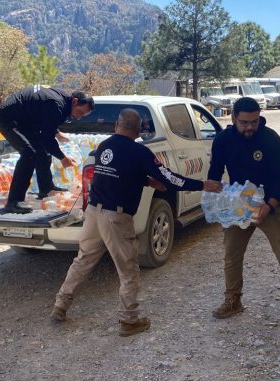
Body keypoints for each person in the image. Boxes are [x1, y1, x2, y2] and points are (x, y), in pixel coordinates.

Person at [50, 109, 222, 337]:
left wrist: (147, 181)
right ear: (139, 130)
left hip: (93, 213)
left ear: (116, 126)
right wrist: (202, 185)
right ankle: (130, 320)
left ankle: (60, 305)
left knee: (83, 260)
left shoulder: (104, 146)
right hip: (116, 218)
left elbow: (119, 173)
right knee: (128, 269)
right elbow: (170, 178)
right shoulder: (140, 152)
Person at [207, 97, 280, 328]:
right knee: (232, 256)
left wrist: (270, 205)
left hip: (270, 203)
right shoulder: (222, 140)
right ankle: (233, 300)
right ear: (233, 118)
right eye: (245, 122)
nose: (250, 127)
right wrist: (213, 194)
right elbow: (215, 170)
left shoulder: (271, 140)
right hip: (239, 203)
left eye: (255, 121)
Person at [0, 85, 95, 214]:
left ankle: (46, 188)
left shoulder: (63, 99)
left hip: (25, 120)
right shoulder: (56, 103)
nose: (79, 117)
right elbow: (47, 139)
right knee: (29, 154)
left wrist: (56, 132)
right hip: (7, 119)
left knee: (43, 152)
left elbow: (45, 117)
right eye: (80, 112)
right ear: (74, 101)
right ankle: (14, 201)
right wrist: (62, 158)